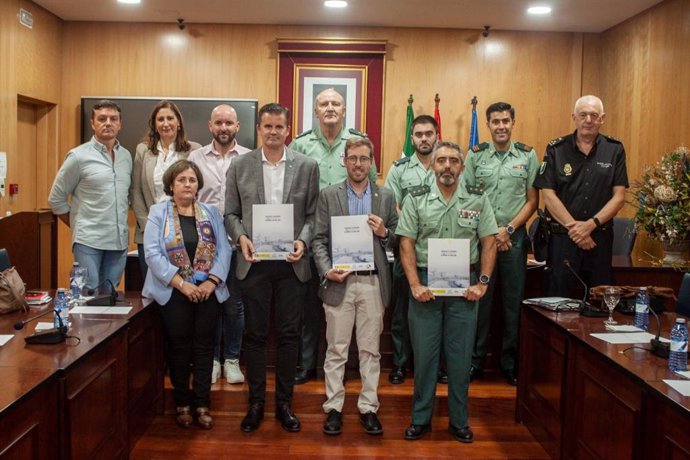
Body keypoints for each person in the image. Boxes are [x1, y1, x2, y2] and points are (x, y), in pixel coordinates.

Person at [225, 103, 319, 433]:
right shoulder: (240, 165)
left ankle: (284, 404)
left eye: (280, 127)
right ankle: (255, 404)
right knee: (254, 335)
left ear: (288, 130)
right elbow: (230, 214)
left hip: (292, 264)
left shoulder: (307, 166)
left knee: (290, 335)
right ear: (259, 129)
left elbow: (312, 216)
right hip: (255, 264)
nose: (274, 132)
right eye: (268, 126)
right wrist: (242, 239)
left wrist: (304, 243)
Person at [396, 142, 497, 444]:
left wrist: (482, 282)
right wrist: (414, 284)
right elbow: (406, 243)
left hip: (464, 287)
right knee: (425, 358)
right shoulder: (416, 199)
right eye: (441, 161)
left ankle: (459, 421)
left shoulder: (478, 199)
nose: (447, 166)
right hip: (426, 284)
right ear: (433, 166)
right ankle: (421, 419)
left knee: (459, 358)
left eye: (454, 161)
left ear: (462, 167)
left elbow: (489, 242)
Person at [290, 87, 378, 384]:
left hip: (352, 243)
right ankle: (306, 363)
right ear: (315, 111)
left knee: (347, 302)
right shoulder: (301, 145)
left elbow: (372, 189)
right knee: (309, 305)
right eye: (324, 103)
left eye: (336, 103)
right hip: (312, 235)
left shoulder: (357, 143)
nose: (330, 107)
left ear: (344, 110)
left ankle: (344, 366)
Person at [312, 137, 398, 436]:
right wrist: (326, 270)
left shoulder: (385, 196)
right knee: (336, 349)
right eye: (353, 158)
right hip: (340, 283)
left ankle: (368, 407)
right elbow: (319, 240)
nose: (358, 164)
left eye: (364, 158)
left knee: (371, 351)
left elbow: (398, 239)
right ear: (344, 161)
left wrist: (385, 231)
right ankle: (333, 407)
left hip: (373, 282)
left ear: (372, 161)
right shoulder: (328, 195)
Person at [142, 160, 231, 430]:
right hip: (174, 291)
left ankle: (202, 403)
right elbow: (152, 254)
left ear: (198, 185)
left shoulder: (211, 212)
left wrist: (211, 282)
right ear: (171, 184)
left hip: (207, 292)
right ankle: (181, 403)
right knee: (179, 349)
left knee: (205, 349)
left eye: (192, 180)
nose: (188, 184)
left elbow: (224, 250)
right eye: (181, 180)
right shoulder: (159, 213)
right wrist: (182, 284)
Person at [464, 102, 539, 386]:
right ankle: (475, 362)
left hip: (515, 237)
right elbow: (468, 199)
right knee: (479, 302)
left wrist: (507, 230)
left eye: (505, 121)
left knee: (512, 303)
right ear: (488, 124)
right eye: (495, 122)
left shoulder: (527, 155)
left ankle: (510, 364)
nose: (501, 126)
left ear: (513, 122)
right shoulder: (475, 156)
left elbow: (533, 201)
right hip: (483, 239)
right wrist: (492, 234)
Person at [533, 95, 628, 298]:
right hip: (562, 240)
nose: (588, 120)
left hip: (598, 239)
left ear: (602, 118)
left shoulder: (615, 149)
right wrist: (576, 229)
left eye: (594, 115)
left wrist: (589, 226)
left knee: (600, 302)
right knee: (557, 302)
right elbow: (548, 196)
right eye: (583, 115)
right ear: (574, 117)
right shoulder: (556, 149)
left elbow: (619, 197)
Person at [189, 104, 250, 386]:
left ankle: (232, 360)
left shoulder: (250, 158)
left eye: (229, 123)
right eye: (218, 123)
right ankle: (212, 360)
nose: (223, 128)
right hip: (206, 245)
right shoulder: (195, 157)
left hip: (239, 243)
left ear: (237, 126)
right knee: (210, 303)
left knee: (235, 305)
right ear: (210, 126)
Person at [48, 99, 131, 291]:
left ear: (120, 124)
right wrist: (78, 224)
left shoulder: (126, 156)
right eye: (102, 118)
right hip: (88, 241)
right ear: (93, 123)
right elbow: (56, 199)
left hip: (118, 241)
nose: (108, 123)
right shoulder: (78, 156)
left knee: (110, 294)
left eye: (113, 119)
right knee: (87, 293)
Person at [383, 114, 438, 385]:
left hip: (440, 252)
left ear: (436, 135)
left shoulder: (448, 165)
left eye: (429, 133)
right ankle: (401, 364)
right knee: (402, 312)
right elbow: (392, 206)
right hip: (407, 248)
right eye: (419, 134)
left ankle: (428, 365)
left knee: (436, 311)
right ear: (412, 137)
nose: (424, 138)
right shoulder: (399, 169)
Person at [131, 100, 201, 277]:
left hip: (184, 230)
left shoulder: (194, 149)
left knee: (184, 283)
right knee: (154, 287)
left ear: (178, 122)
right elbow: (136, 191)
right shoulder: (143, 150)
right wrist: (149, 227)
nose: (165, 123)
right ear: (154, 124)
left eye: (170, 118)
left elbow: (196, 188)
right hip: (150, 230)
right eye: (160, 119)